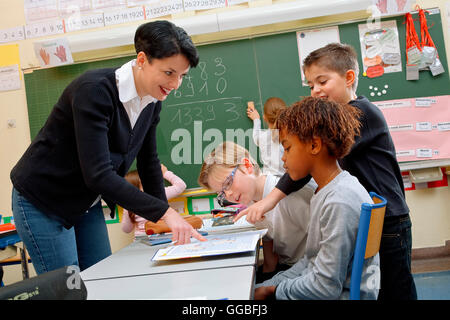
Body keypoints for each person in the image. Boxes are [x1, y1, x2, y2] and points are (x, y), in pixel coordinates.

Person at [10, 20, 205, 275]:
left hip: (84, 203)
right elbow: (98, 174)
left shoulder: (153, 100)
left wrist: (161, 221)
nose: (176, 84)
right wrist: (165, 212)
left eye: (182, 76)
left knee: (101, 279)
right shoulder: (94, 90)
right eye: (169, 73)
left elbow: (149, 163)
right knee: (69, 290)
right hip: (44, 200)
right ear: (143, 59)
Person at [235, 43, 417, 300]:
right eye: (310, 85)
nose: (315, 91)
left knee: (398, 288)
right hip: (365, 212)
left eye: (322, 81)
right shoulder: (332, 180)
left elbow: (311, 161)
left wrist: (269, 200)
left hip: (390, 219)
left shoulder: (361, 114)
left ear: (349, 77)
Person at [254, 96, 379, 300]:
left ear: (314, 146)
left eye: (287, 148)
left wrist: (273, 292)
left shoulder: (339, 200)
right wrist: (269, 285)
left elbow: (324, 288)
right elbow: (310, 261)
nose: (283, 158)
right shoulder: (326, 190)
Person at [198, 141, 317, 282]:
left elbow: (323, 249)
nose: (228, 195)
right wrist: (267, 269)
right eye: (221, 193)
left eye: (228, 183)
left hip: (306, 270)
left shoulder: (289, 197)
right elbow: (268, 238)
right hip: (286, 267)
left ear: (247, 166)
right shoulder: (251, 200)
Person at [121, 164, 187, 239]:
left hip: (150, 237)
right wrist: (165, 173)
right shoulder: (157, 194)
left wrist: (126, 206)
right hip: (159, 236)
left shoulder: (131, 203)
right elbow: (181, 185)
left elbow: (126, 229)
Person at [247, 98, 286, 177]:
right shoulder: (292, 136)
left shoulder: (262, 137)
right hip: (289, 181)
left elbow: (256, 137)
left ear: (264, 117)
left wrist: (256, 119)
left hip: (269, 181)